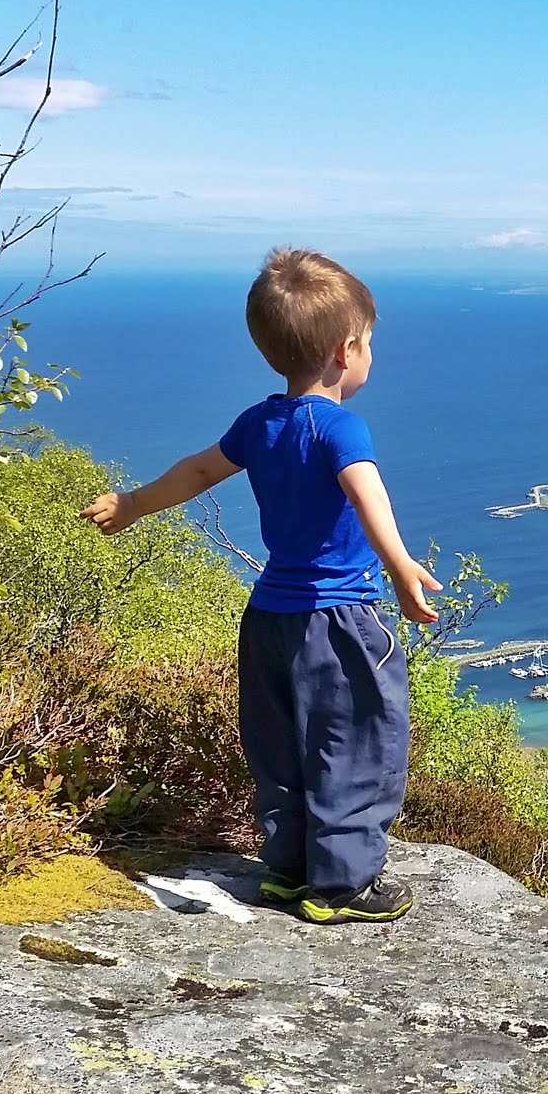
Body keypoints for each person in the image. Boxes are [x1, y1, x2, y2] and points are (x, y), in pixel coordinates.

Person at [81, 247, 439, 924]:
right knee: (358, 741)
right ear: (347, 349)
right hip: (340, 623)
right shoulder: (339, 426)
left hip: (269, 619)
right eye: (371, 345)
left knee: (281, 746)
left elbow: (193, 473)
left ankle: (286, 869)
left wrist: (130, 504)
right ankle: (342, 886)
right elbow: (368, 494)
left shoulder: (259, 423)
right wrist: (399, 566)